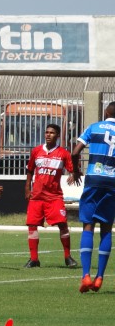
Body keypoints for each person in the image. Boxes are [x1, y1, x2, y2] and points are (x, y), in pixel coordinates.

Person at [71, 101, 115, 293]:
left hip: (93, 179)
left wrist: (76, 170)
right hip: (112, 182)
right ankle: (100, 278)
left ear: (106, 111)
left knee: (88, 225)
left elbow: (75, 152)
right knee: (106, 228)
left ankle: (86, 275)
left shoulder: (94, 127)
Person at [23, 123, 78, 268]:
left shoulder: (63, 153)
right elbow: (29, 170)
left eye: (52, 133)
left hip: (54, 196)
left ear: (58, 135)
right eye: (47, 132)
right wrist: (27, 188)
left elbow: (73, 168)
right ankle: (34, 259)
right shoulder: (36, 151)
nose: (48, 135)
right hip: (37, 195)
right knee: (32, 225)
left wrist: (74, 173)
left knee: (62, 224)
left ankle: (68, 257)